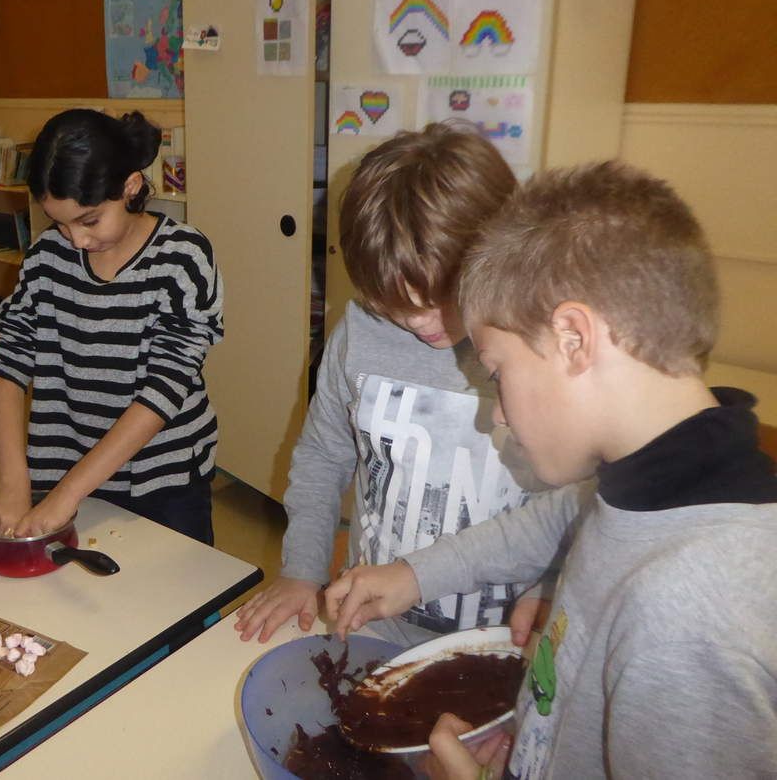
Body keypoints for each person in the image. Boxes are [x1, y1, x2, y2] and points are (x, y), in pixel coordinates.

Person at [326, 162, 777, 779]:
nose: (497, 415)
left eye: (497, 371)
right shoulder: (639, 492)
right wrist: (413, 574)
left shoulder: (688, 615)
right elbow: (554, 519)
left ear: (573, 339)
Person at [237, 122, 542, 645]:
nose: (420, 323)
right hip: (376, 620)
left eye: (441, 300)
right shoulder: (358, 331)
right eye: (393, 306)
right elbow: (322, 456)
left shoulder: (534, 347)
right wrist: (303, 569)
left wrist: (550, 583)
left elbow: (573, 501)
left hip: (500, 632)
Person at [0, 109, 224, 544]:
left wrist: (68, 495)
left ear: (130, 187)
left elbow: (165, 387)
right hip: (63, 467)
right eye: (60, 223)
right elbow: (10, 362)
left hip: (162, 478)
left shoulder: (183, 257)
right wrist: (13, 480)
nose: (76, 240)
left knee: (176, 584)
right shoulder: (45, 257)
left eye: (89, 220)